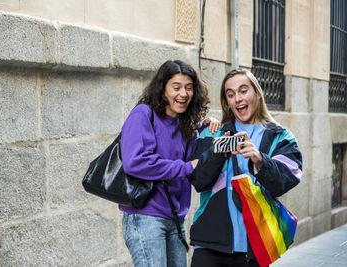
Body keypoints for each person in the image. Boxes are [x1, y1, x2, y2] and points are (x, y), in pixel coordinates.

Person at [187, 68, 303, 266]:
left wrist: (260, 160)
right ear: (227, 102)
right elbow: (199, 181)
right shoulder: (212, 133)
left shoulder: (281, 136)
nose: (237, 99)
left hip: (255, 246)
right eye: (230, 94)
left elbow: (285, 182)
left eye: (243, 91)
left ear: (257, 93)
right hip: (210, 246)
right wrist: (219, 153)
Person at [119, 59, 219, 267]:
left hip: (175, 217)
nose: (183, 94)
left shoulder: (185, 125)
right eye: (176, 87)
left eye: (189, 88)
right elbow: (135, 162)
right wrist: (185, 167)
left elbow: (192, 158)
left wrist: (205, 132)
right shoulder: (143, 114)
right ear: (163, 89)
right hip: (145, 216)